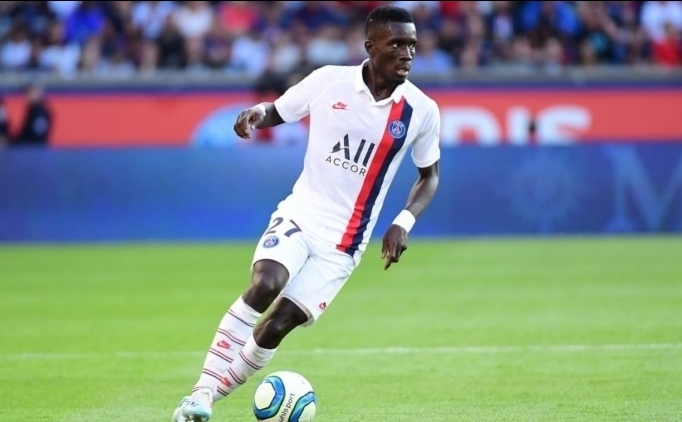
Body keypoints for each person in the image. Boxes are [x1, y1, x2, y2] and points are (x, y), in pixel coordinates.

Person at [172, 5, 441, 421]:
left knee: (277, 325)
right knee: (266, 283)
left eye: (412, 45)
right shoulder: (328, 81)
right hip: (301, 215)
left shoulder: (421, 110)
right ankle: (200, 393)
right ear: (370, 47)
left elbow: (429, 176)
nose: (407, 54)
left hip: (345, 243)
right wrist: (256, 114)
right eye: (396, 44)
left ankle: (204, 403)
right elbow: (278, 110)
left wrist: (402, 222)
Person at [11, 82, 52, 146]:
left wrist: (15, 144)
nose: (26, 96)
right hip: (24, 147)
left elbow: (36, 138)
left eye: (29, 92)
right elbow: (24, 133)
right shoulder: (31, 110)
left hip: (33, 150)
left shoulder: (40, 113)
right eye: (25, 93)